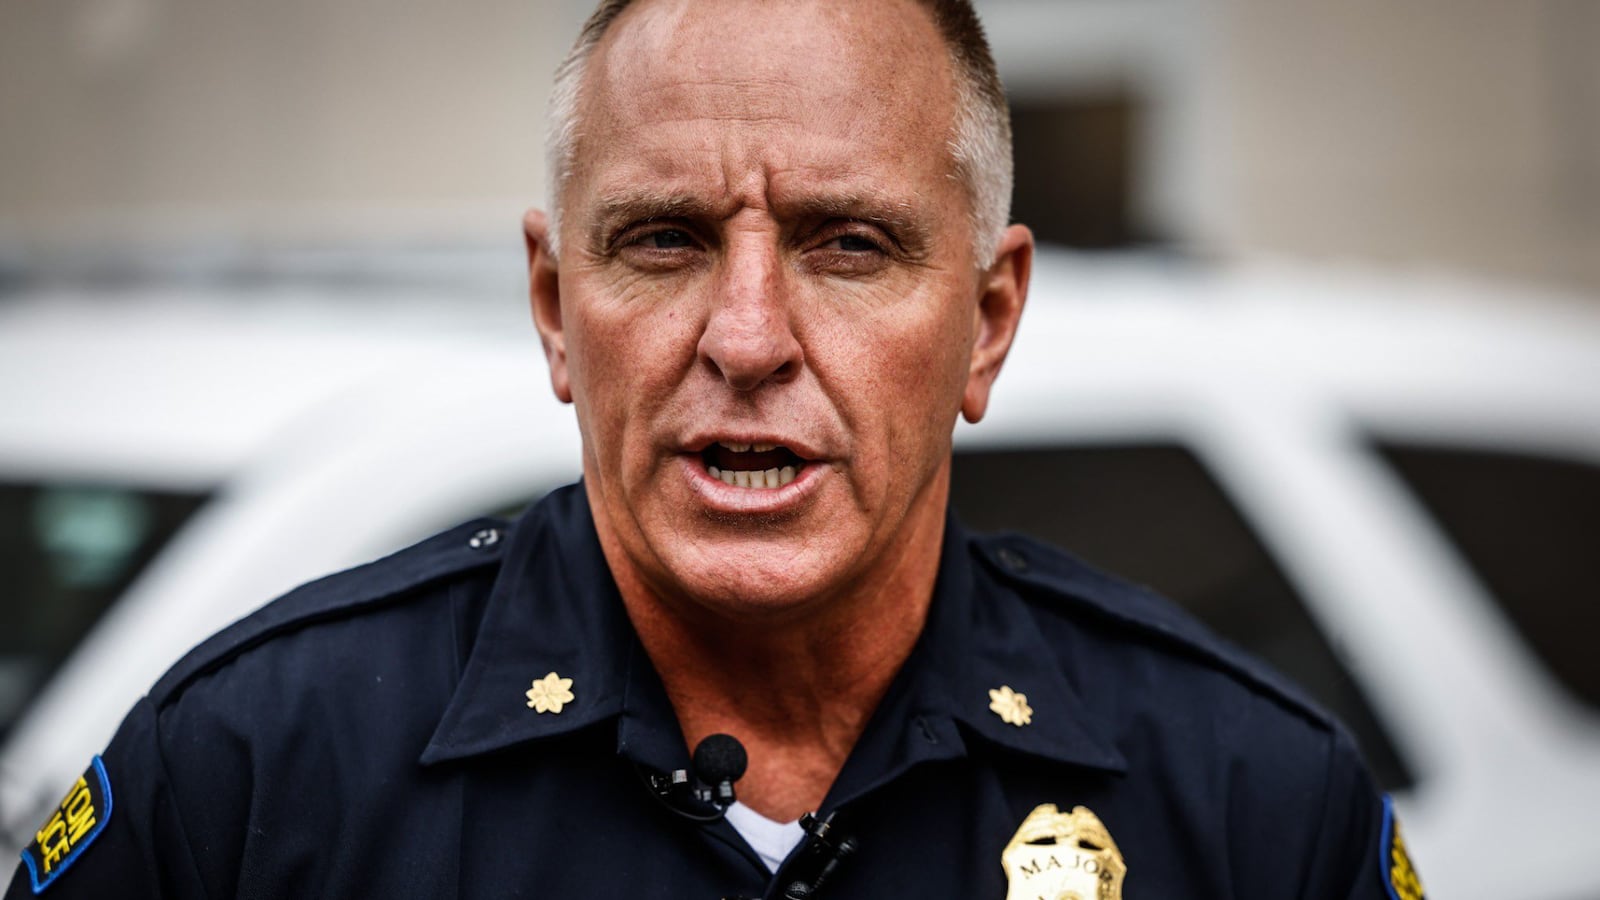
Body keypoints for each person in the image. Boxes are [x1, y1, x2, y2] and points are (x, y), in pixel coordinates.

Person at [8, 0, 1425, 897]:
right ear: (558, 313)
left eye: (850, 246)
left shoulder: (1252, 806)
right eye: (666, 241)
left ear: (987, 323)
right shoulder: (254, 776)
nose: (747, 338)